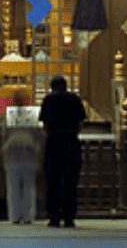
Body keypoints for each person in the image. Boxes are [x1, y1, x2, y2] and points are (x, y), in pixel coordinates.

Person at [39, 75, 86, 228]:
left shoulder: (49, 99)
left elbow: (45, 124)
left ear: (52, 86)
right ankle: (69, 217)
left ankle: (54, 217)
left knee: (53, 182)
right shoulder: (74, 99)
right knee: (71, 182)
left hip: (54, 142)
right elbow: (80, 123)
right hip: (71, 142)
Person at [0, 86, 42, 224]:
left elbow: (4, 134)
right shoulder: (32, 114)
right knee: (29, 185)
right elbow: (37, 134)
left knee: (13, 186)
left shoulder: (9, 114)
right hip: (29, 150)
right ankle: (28, 215)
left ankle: (15, 216)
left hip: (12, 151)